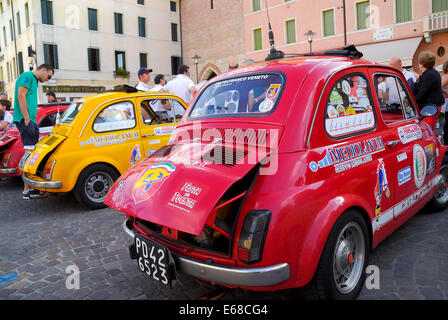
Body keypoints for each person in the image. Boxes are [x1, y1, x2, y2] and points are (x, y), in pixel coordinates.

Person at [13, 64, 54, 199]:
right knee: (29, 154)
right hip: (26, 120)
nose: (47, 80)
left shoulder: (33, 80)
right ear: (44, 70)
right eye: (48, 76)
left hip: (31, 121)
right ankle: (27, 190)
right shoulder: (27, 76)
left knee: (30, 154)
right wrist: (26, 118)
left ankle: (30, 188)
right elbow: (21, 96)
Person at [414, 51, 445, 134]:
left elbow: (421, 94)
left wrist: (410, 101)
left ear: (421, 64)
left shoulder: (427, 75)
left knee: (427, 131)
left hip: (429, 109)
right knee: (431, 129)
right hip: (435, 106)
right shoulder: (434, 72)